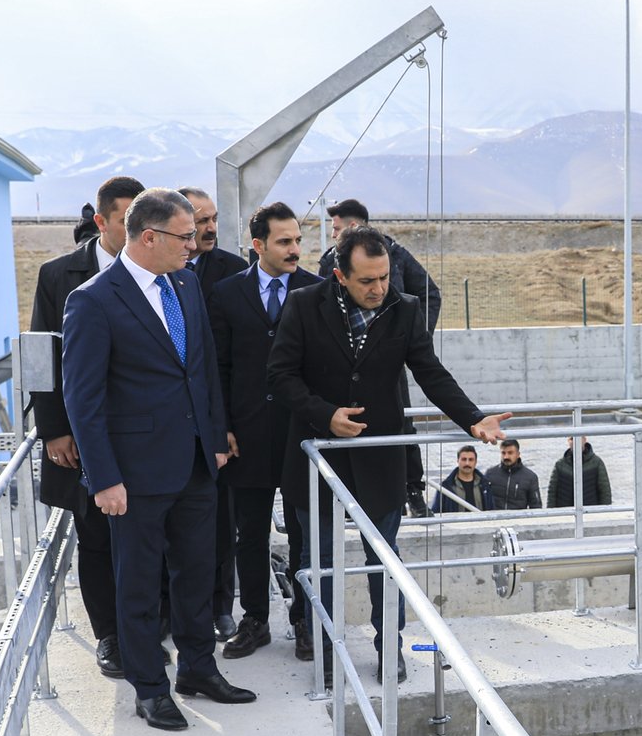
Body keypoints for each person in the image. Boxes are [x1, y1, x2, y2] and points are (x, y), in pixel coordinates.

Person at [270, 224, 508, 683]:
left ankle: (389, 648)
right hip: (316, 460)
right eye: (367, 281)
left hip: (379, 463)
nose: (378, 288)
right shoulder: (303, 305)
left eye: (383, 278)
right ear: (341, 276)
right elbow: (279, 376)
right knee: (317, 564)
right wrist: (326, 414)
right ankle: (324, 651)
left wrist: (472, 419)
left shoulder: (405, 309)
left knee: (385, 560)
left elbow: (430, 372)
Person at [62, 188, 256, 730]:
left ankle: (198, 668)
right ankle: (150, 687)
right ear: (149, 237)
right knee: (140, 584)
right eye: (185, 236)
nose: (194, 246)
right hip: (134, 475)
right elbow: (83, 398)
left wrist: (215, 439)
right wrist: (103, 478)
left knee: (197, 574)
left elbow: (202, 370)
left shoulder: (186, 284)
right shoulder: (95, 299)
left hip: (195, 463)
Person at [29, 174, 144, 680]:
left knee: (145, 537)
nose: (140, 231)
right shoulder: (59, 276)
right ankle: (111, 638)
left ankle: (145, 629)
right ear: (101, 222)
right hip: (82, 439)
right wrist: (54, 431)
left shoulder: (158, 272)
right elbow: (40, 359)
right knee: (95, 537)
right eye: (127, 222)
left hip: (142, 435)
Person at [210, 201, 320, 661]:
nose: (295, 249)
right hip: (247, 438)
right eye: (285, 241)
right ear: (258, 245)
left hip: (301, 436)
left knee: (304, 533)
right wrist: (223, 429)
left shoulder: (316, 291)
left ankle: (307, 620)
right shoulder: (225, 294)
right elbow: (215, 368)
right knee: (249, 534)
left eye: (297, 240)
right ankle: (255, 619)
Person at [316, 198, 441, 515]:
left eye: (337, 228)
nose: (333, 235)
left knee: (401, 426)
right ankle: (346, 495)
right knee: (346, 425)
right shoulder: (331, 261)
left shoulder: (395, 254)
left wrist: (412, 340)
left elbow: (429, 293)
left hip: (388, 363)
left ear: (355, 228)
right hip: (344, 366)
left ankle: (411, 489)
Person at [179, 188, 251, 636]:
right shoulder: (158, 274)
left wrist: (224, 424)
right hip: (170, 424)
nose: (209, 229)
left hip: (218, 422)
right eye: (199, 221)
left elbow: (234, 360)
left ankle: (221, 604)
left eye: (213, 219)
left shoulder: (232, 271)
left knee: (223, 519)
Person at [546, 437, 612, 508]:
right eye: (572, 439)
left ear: (584, 440)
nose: (575, 441)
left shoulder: (596, 463)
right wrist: (551, 514)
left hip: (590, 512)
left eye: (579, 437)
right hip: (565, 513)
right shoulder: (559, 465)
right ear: (568, 441)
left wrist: (604, 512)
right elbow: (552, 493)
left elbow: (605, 491)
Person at [483, 439, 543, 510]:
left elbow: (536, 505)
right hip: (495, 518)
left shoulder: (530, 477)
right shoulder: (490, 474)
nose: (506, 457)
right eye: (503, 453)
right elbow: (482, 500)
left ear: (518, 454)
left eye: (510, 453)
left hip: (518, 519)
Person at [434, 445, 495, 513]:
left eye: (471, 460)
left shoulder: (485, 485)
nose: (467, 463)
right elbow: (436, 512)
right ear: (458, 461)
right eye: (464, 459)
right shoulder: (445, 487)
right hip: (455, 523)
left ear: (475, 462)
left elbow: (491, 510)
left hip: (479, 523)